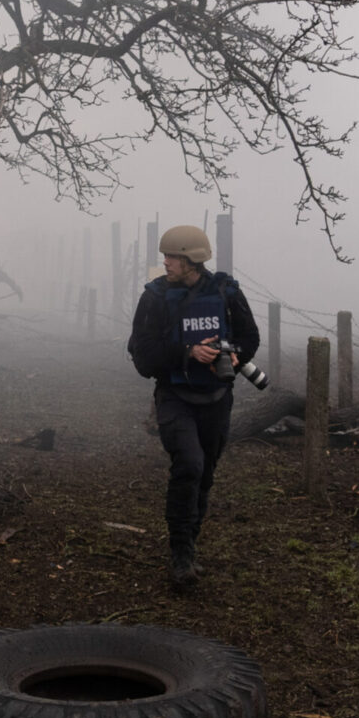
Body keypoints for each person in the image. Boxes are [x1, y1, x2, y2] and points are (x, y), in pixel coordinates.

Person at [126, 224, 260, 587]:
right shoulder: (154, 298)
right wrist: (187, 352)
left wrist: (234, 357)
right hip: (174, 397)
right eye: (165, 256)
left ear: (192, 260)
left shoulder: (225, 291)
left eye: (173, 257)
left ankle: (191, 543)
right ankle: (180, 554)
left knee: (206, 474)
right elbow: (143, 357)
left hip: (217, 398)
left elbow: (250, 338)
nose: (165, 262)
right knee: (189, 464)